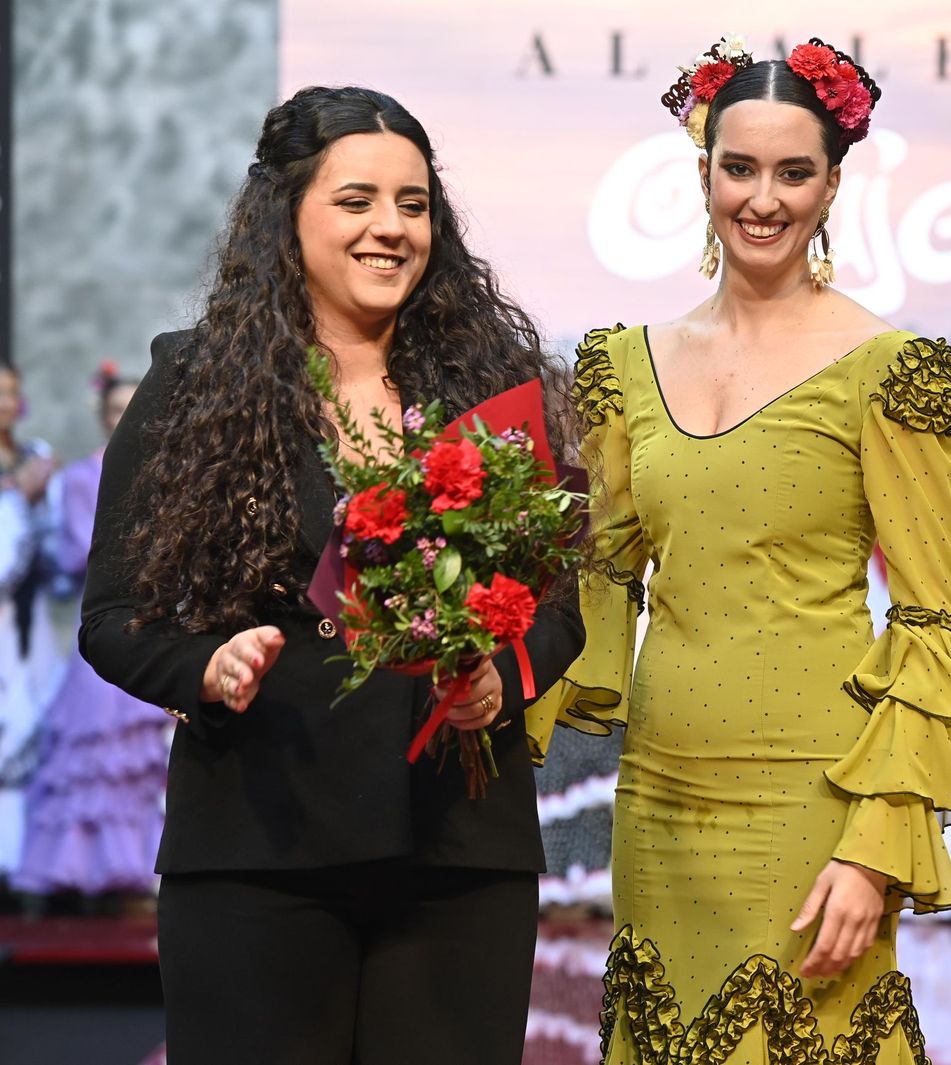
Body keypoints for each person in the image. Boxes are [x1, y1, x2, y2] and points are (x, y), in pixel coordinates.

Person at [530, 36, 951, 1063]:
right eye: (739, 167)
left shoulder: (890, 368)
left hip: (815, 801)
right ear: (702, 172)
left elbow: (930, 623)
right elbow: (606, 579)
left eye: (794, 172)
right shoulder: (621, 366)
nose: (763, 198)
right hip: (657, 803)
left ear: (833, 185)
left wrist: (876, 848)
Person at [79, 86, 584, 1065]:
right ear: (287, 213)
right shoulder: (193, 387)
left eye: (413, 202)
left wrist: (504, 676)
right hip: (257, 850)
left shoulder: (488, 386)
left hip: (460, 855)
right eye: (357, 200)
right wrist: (207, 669)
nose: (390, 228)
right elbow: (112, 616)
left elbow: (562, 602)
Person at [14, 365, 171, 906]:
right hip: (113, 619)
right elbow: (83, 547)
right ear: (105, 417)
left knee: (144, 765)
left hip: (159, 621)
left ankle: (142, 879)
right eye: (116, 408)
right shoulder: (85, 477)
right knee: (98, 759)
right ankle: (88, 879)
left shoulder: (168, 472)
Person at [0, 364, 57, 880]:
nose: (6, 402)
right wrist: (18, 496)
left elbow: (56, 550)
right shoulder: (20, 476)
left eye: (12, 393)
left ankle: (22, 869)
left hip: (28, 618)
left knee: (31, 729)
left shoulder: (33, 457)